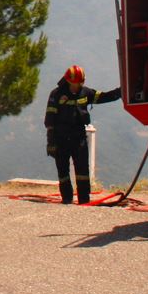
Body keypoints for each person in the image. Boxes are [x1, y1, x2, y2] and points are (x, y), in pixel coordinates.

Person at [45, 65, 120, 205]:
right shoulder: (56, 94)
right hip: (60, 138)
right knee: (63, 171)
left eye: (81, 82)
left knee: (82, 171)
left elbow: (104, 97)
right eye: (76, 83)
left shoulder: (86, 93)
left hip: (78, 137)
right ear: (68, 81)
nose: (79, 85)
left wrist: (121, 92)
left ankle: (84, 200)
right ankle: (67, 199)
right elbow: (49, 120)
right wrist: (51, 142)